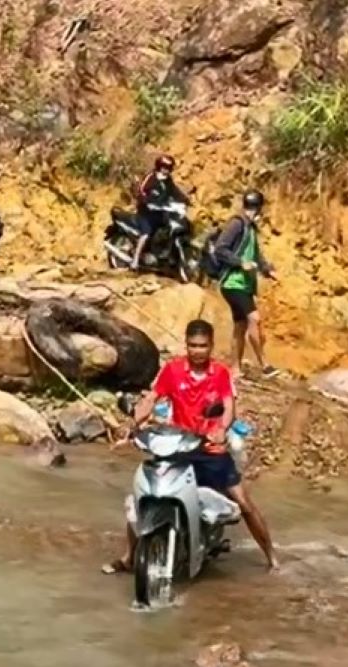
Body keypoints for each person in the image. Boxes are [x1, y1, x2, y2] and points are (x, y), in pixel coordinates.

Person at [104, 319, 279, 574]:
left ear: (211, 346)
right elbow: (152, 398)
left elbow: (229, 406)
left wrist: (221, 429)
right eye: (192, 345)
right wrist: (133, 423)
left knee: (244, 503)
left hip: (209, 449)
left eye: (203, 346)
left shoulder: (220, 373)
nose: (197, 351)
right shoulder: (173, 371)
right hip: (177, 447)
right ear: (186, 344)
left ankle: (271, 556)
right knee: (145, 494)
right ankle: (130, 557)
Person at [216, 190, 278, 379]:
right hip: (233, 283)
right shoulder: (237, 224)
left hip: (244, 284)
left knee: (240, 326)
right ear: (258, 208)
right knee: (254, 319)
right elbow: (220, 248)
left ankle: (235, 368)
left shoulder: (250, 229)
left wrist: (268, 270)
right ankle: (265, 365)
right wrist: (239, 262)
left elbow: (256, 255)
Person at [131, 155, 190, 270]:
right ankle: (135, 260)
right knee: (146, 234)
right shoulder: (151, 177)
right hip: (146, 213)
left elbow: (175, 192)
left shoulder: (168, 180)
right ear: (159, 166)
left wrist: (185, 200)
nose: (167, 170)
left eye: (169, 167)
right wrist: (146, 201)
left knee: (169, 229)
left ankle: (165, 255)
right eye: (165, 167)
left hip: (160, 212)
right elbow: (141, 191)